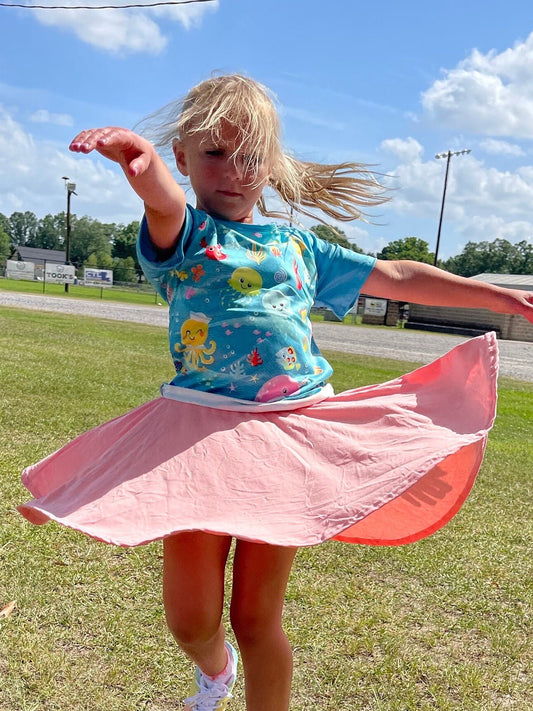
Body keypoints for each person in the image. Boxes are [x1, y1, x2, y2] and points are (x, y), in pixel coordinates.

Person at [18, 74, 533, 711]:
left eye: (251, 158)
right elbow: (164, 205)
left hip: (286, 441)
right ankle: (214, 671)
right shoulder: (185, 241)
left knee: (257, 620)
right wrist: (141, 165)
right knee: (190, 620)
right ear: (182, 157)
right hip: (196, 439)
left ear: (271, 165)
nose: (233, 172)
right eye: (214, 154)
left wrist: (497, 297)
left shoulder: (299, 248)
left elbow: (396, 275)